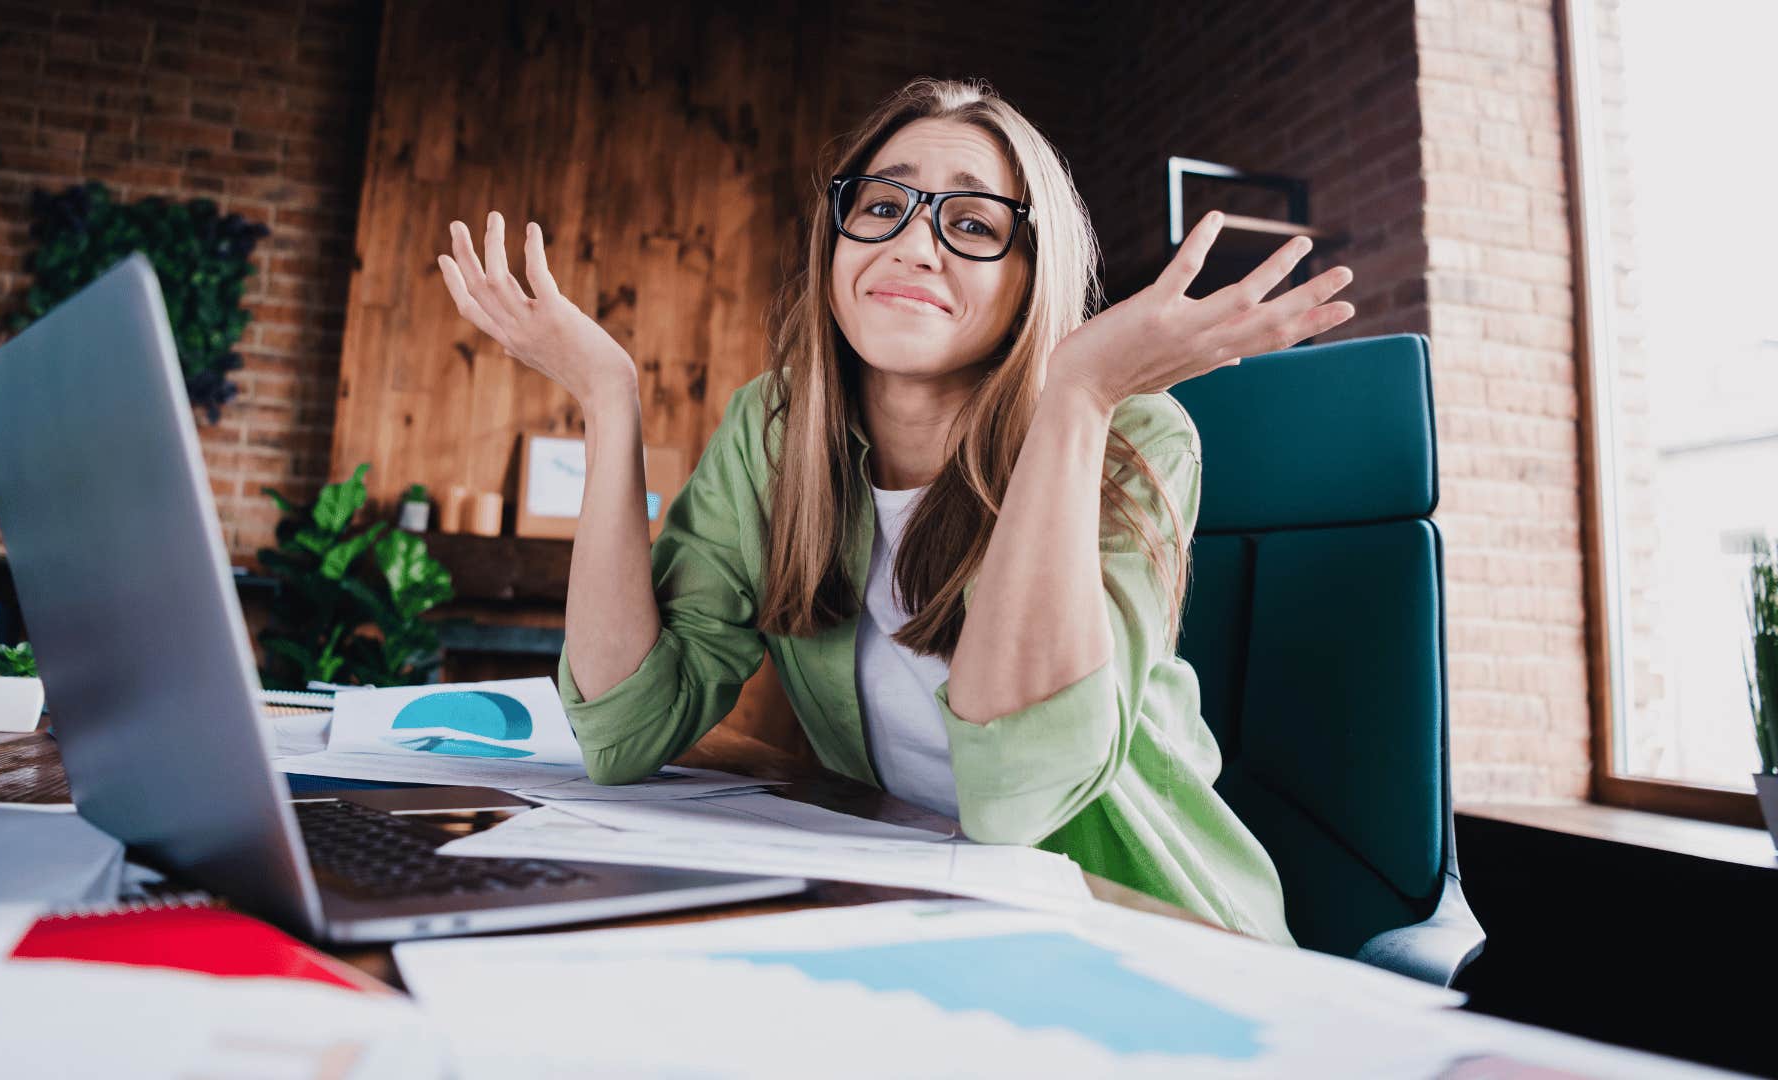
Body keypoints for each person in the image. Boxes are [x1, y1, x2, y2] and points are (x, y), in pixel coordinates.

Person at [436, 77, 1354, 944]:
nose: (912, 245)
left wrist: (1077, 396)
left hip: (1141, 927)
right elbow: (623, 734)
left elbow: (1015, 799)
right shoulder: (773, 427)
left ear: (1035, 276)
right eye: (882, 206)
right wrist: (607, 394)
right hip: (917, 900)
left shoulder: (1129, 432)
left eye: (972, 223)